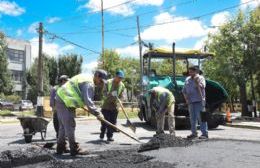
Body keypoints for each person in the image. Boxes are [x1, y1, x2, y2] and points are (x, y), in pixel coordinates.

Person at [55, 69, 107, 156]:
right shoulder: (89, 84)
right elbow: (88, 101)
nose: (101, 83)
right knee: (70, 125)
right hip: (65, 101)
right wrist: (98, 113)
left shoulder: (86, 78)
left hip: (61, 98)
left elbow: (80, 94)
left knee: (63, 126)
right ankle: (74, 148)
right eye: (101, 81)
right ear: (97, 76)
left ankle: (61, 147)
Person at [182, 66, 208, 139]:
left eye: (191, 72)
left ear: (196, 71)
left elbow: (202, 87)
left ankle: (205, 134)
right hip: (191, 102)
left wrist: (196, 82)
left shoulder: (201, 78)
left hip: (199, 101)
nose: (190, 73)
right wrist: (186, 99)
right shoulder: (187, 79)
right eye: (189, 72)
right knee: (192, 119)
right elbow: (184, 90)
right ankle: (194, 133)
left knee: (202, 117)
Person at [100, 70, 125, 141]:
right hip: (106, 105)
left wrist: (120, 100)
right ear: (115, 76)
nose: (120, 79)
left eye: (121, 78)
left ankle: (109, 136)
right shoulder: (108, 82)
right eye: (119, 77)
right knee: (105, 121)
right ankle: (102, 132)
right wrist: (110, 95)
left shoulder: (122, 85)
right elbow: (104, 93)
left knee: (113, 122)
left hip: (115, 106)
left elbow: (122, 96)